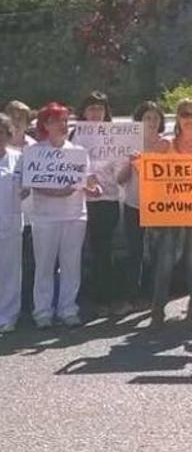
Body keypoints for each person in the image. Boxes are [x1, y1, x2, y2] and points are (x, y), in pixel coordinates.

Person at [29, 103, 101, 329]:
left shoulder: (78, 152)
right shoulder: (34, 152)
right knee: (45, 266)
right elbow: (33, 183)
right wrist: (57, 191)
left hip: (74, 215)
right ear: (46, 125)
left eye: (65, 120)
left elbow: (86, 181)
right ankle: (42, 312)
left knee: (72, 265)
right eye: (58, 120)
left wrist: (93, 189)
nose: (63, 125)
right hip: (45, 217)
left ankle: (68, 309)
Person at [149, 98, 192, 329]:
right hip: (170, 211)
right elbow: (150, 177)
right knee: (165, 260)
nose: (190, 119)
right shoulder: (166, 144)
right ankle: (157, 311)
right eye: (185, 114)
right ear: (178, 117)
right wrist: (139, 164)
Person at [116, 101, 165, 314]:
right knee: (134, 252)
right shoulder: (129, 145)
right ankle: (131, 296)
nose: (152, 122)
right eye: (147, 118)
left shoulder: (167, 145)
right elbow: (119, 179)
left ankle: (150, 296)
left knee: (155, 254)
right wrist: (130, 162)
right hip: (133, 205)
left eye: (155, 118)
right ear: (139, 121)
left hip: (158, 208)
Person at [76, 91, 120, 316]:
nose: (95, 112)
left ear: (106, 113)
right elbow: (68, 167)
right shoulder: (74, 134)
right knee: (76, 252)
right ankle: (75, 298)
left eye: (100, 109)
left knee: (103, 249)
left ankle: (104, 297)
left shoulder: (116, 136)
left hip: (108, 201)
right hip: (79, 201)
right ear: (83, 111)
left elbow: (121, 170)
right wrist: (86, 179)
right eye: (91, 108)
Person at [5, 101, 36, 315]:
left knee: (26, 264)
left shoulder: (34, 148)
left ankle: (23, 307)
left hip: (30, 217)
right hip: (8, 217)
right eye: (12, 116)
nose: (17, 122)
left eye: (21, 118)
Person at [0, 114, 24, 332]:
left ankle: (8, 315)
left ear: (8, 135)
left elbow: (28, 189)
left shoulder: (19, 159)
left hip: (10, 223)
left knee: (9, 271)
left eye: (1, 132)